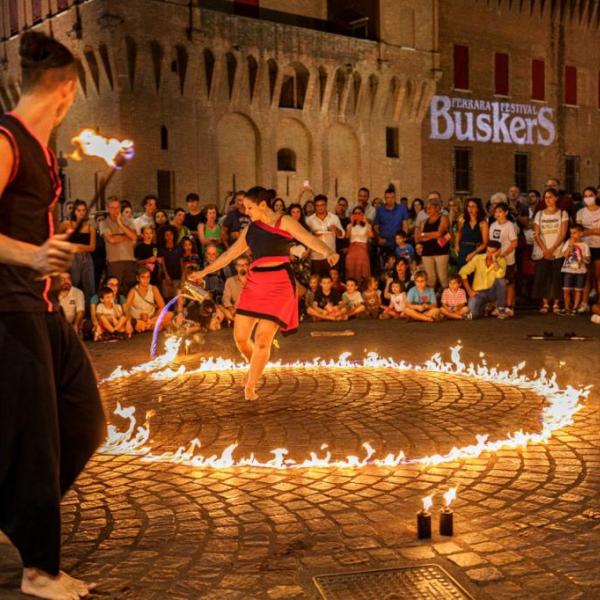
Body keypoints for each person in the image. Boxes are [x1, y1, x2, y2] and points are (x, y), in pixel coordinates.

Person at [0, 31, 104, 599]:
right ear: (65, 91)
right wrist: (31, 254)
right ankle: (39, 569)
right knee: (35, 439)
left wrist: (55, 246)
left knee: (85, 422)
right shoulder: (6, 139)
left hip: (38, 305)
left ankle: (13, 510)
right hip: (8, 306)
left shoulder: (43, 152)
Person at [190, 186, 339, 400]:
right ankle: (257, 366)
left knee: (262, 340)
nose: (247, 212)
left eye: (249, 207)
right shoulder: (250, 229)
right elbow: (230, 255)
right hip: (255, 283)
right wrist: (203, 271)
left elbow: (307, 238)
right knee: (240, 337)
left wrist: (327, 251)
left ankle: (250, 385)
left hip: (279, 285)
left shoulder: (284, 221)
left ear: (262, 205)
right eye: (244, 208)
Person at [532, 188, 568, 314]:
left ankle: (556, 303)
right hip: (543, 250)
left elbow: (563, 233)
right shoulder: (539, 214)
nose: (548, 200)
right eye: (546, 197)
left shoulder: (562, 213)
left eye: (550, 197)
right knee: (543, 276)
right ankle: (545, 303)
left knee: (556, 277)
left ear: (556, 198)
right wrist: (545, 249)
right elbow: (536, 234)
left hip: (557, 250)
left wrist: (552, 249)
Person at [58, 199, 96, 303]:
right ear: (74, 211)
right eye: (78, 210)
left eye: (83, 210)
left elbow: (92, 247)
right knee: (72, 285)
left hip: (87, 258)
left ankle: (89, 312)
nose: (81, 213)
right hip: (72, 258)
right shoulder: (66, 224)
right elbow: (56, 238)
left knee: (90, 287)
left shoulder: (90, 227)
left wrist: (76, 246)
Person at [459, 241, 508, 319]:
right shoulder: (478, 258)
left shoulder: (501, 261)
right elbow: (463, 272)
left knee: (502, 281)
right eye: (488, 251)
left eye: (493, 252)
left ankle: (500, 309)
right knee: (472, 315)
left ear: (498, 251)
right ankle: (484, 308)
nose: (489, 254)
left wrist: (494, 259)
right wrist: (469, 291)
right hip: (479, 293)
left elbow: (500, 275)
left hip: (493, 292)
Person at [102, 196, 138, 293]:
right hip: (114, 261)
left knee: (131, 290)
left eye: (117, 207)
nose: (115, 210)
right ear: (107, 208)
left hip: (129, 260)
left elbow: (134, 237)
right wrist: (127, 236)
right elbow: (111, 239)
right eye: (112, 208)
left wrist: (121, 224)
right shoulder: (104, 223)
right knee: (114, 290)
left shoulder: (128, 221)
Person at [489, 202, 518, 317]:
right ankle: (499, 306)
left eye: (500, 211)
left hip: (508, 258)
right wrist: (493, 255)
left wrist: (504, 253)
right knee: (497, 283)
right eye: (496, 212)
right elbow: (491, 242)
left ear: (506, 212)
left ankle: (509, 306)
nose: (498, 214)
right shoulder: (493, 225)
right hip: (496, 259)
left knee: (509, 282)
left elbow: (514, 242)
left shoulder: (510, 225)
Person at [305, 194, 344, 277]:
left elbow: (342, 235)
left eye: (322, 205)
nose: (320, 207)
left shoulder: (334, 218)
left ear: (326, 205)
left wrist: (336, 229)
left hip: (331, 255)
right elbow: (305, 237)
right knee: (316, 281)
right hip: (316, 257)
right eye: (317, 205)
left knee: (331, 281)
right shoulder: (309, 220)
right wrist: (313, 235)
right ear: (315, 206)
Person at [125, 265, 171, 333]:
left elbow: (162, 307)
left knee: (169, 314)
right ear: (138, 278)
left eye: (148, 277)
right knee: (138, 324)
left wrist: (152, 318)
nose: (146, 280)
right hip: (138, 319)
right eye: (143, 277)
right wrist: (134, 319)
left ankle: (150, 325)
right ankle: (150, 326)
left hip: (151, 319)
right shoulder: (133, 291)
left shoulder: (153, 288)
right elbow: (126, 308)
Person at [417, 197, 451, 289]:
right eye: (426, 208)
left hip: (441, 252)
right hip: (427, 252)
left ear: (437, 208)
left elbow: (440, 233)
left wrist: (425, 235)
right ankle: (432, 299)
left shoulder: (443, 218)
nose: (428, 210)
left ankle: (446, 299)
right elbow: (419, 237)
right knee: (430, 279)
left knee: (443, 278)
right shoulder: (424, 222)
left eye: (430, 208)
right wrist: (433, 235)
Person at [576, 186, 600, 313]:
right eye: (585, 196)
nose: (588, 198)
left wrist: (588, 231)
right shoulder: (580, 213)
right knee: (586, 275)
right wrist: (593, 231)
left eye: (590, 195)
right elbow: (578, 232)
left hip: (598, 247)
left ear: (596, 196)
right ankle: (584, 303)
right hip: (584, 248)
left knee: (598, 275)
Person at [561, 224, 590, 315]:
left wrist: (583, 259)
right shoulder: (568, 242)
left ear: (581, 233)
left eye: (574, 233)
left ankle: (575, 307)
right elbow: (564, 255)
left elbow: (588, 259)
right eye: (571, 233)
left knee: (578, 289)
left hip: (580, 270)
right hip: (568, 270)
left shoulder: (585, 245)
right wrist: (570, 246)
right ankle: (566, 307)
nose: (572, 235)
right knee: (566, 289)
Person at [374, 187, 409, 258]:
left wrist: (403, 239)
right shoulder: (380, 210)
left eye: (392, 197)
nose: (390, 199)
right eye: (387, 197)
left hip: (399, 242)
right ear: (385, 199)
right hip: (385, 242)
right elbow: (376, 227)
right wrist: (379, 238)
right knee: (387, 265)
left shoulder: (402, 208)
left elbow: (405, 225)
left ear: (395, 197)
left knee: (402, 263)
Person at [455, 197, 488, 269]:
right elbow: (458, 232)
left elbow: (485, 243)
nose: (470, 208)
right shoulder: (462, 220)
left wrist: (473, 254)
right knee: (462, 274)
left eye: (473, 206)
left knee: (475, 276)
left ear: (478, 208)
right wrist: (456, 245)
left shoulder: (483, 223)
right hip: (463, 249)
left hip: (477, 250)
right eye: (468, 206)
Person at [345, 205, 373, 282]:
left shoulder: (367, 225)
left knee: (362, 271)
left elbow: (371, 235)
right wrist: (351, 223)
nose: (357, 215)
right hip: (352, 250)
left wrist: (366, 222)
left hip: (362, 249)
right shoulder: (349, 226)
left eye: (359, 213)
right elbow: (347, 236)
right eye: (355, 213)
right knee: (350, 270)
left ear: (363, 214)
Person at [221, 255, 250, 323]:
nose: (243, 267)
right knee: (224, 311)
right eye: (240, 265)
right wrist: (231, 309)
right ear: (236, 267)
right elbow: (226, 299)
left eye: (245, 265)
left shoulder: (254, 280)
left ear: (249, 266)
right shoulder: (230, 281)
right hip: (236, 310)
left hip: (252, 310)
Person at [157, 225, 181, 300]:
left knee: (177, 298)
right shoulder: (161, 249)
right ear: (164, 237)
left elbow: (181, 262)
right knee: (167, 298)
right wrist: (167, 276)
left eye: (171, 234)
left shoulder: (179, 248)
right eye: (166, 235)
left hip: (178, 277)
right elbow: (162, 264)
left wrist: (183, 276)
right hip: (166, 278)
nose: (169, 236)